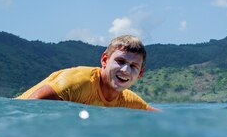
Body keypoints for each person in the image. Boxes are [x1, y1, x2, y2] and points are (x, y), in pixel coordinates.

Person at [16, 35, 159, 111]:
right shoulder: (77, 82)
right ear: (104, 60)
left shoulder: (127, 100)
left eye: (133, 66)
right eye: (120, 61)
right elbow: (29, 108)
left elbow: (160, 119)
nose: (125, 70)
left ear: (140, 73)